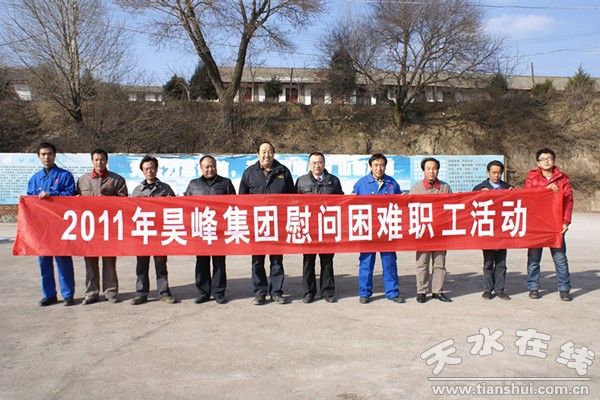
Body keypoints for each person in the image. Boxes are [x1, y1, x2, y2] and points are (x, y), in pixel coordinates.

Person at [239, 141, 294, 305]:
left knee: (276, 260)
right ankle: (260, 293)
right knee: (257, 261)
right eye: (263, 152)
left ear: (274, 154)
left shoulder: (283, 171)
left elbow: (292, 197)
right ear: (257, 154)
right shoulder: (249, 173)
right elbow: (241, 199)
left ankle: (276, 292)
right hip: (257, 224)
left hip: (277, 223)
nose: (266, 155)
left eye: (269, 151)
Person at [25, 142, 76, 306]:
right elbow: (30, 202)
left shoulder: (65, 176)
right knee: (44, 261)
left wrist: (52, 194)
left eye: (49, 154)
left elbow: (71, 195)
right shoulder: (34, 179)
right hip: (42, 228)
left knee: (63, 260)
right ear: (39, 157)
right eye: (43, 154)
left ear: (54, 155)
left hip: (60, 226)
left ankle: (68, 294)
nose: (46, 157)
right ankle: (49, 295)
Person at [77, 148, 128, 304]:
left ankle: (110, 292)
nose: (99, 162)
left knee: (109, 261)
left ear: (107, 160)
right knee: (90, 262)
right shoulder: (83, 180)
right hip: (89, 228)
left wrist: (108, 200)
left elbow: (125, 202)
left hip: (109, 228)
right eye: (96, 160)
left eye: (102, 159)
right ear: (92, 161)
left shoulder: (117, 180)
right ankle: (91, 293)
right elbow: (74, 202)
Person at [352, 153, 404, 304]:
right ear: (370, 166)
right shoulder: (361, 184)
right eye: (376, 165)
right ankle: (365, 293)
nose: (379, 168)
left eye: (382, 165)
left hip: (387, 229)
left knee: (389, 262)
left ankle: (392, 292)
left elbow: (400, 205)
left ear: (385, 166)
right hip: (368, 229)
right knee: (366, 262)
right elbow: (352, 205)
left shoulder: (392, 183)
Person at [184, 155, 236, 304]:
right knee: (201, 262)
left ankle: (219, 292)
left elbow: (234, 204)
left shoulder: (225, 183)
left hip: (219, 230)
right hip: (200, 230)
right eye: (207, 167)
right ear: (201, 168)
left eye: (212, 166)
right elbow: (185, 205)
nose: (210, 169)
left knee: (219, 263)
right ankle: (203, 292)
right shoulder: (193, 185)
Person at [524, 148, 574, 301]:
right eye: (543, 159)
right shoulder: (532, 177)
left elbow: (568, 201)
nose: (546, 161)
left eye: (549, 158)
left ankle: (564, 289)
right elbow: (527, 197)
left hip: (555, 224)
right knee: (534, 258)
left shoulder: (562, 179)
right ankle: (533, 287)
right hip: (537, 223)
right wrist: (544, 190)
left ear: (554, 160)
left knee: (560, 258)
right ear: (538, 162)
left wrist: (565, 222)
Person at [295, 152, 344, 304]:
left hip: (327, 228)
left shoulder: (333, 181)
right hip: (308, 228)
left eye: (320, 162)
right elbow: (293, 203)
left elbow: (341, 201)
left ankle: (327, 292)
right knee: (308, 261)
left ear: (324, 164)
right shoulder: (301, 181)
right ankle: (308, 292)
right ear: (309, 164)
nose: (317, 165)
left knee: (327, 261)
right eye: (314, 163)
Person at [130, 155, 177, 305]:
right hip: (143, 233)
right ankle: (141, 293)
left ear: (156, 169)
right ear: (142, 171)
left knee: (161, 264)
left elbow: (174, 207)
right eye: (146, 169)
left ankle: (164, 293)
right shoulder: (137, 190)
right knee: (141, 265)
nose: (149, 171)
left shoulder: (165, 189)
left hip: (159, 233)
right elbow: (130, 211)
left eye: (152, 168)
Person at [409, 157, 452, 303]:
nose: (431, 172)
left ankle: (437, 291)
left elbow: (451, 208)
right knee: (422, 262)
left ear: (438, 170)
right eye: (428, 169)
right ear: (423, 171)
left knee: (440, 263)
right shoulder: (416, 189)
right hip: (423, 232)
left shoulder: (445, 188)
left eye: (434, 169)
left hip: (440, 232)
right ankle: (421, 291)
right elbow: (409, 210)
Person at [472, 160, 513, 301]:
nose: (496, 175)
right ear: (488, 172)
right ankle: (487, 289)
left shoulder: (508, 188)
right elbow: (470, 203)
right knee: (488, 262)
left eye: (499, 173)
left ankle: (500, 289)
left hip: (502, 230)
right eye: (494, 172)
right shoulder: (480, 188)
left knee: (501, 262)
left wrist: (513, 194)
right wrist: (479, 195)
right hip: (488, 230)